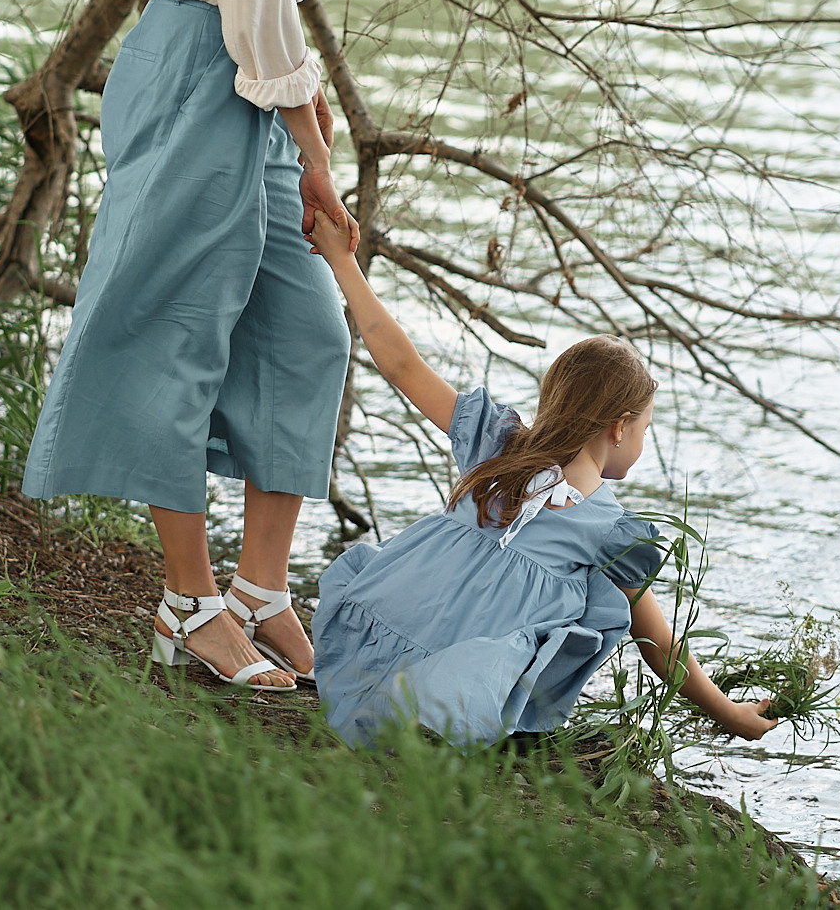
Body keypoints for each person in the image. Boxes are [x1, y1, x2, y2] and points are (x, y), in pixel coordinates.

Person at [20, 0, 433, 692]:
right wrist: (313, 139)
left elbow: (272, 2)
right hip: (205, 69)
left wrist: (303, 123)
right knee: (180, 332)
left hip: (254, 78)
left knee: (304, 331)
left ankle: (258, 594)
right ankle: (186, 604)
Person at [304, 214, 779, 747]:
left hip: (386, 624)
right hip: (457, 677)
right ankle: (443, 713)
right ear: (619, 427)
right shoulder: (610, 529)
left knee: (581, 602)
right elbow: (658, 643)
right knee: (593, 609)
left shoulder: (498, 447)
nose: (643, 441)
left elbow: (403, 366)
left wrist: (343, 262)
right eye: (646, 427)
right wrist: (729, 714)